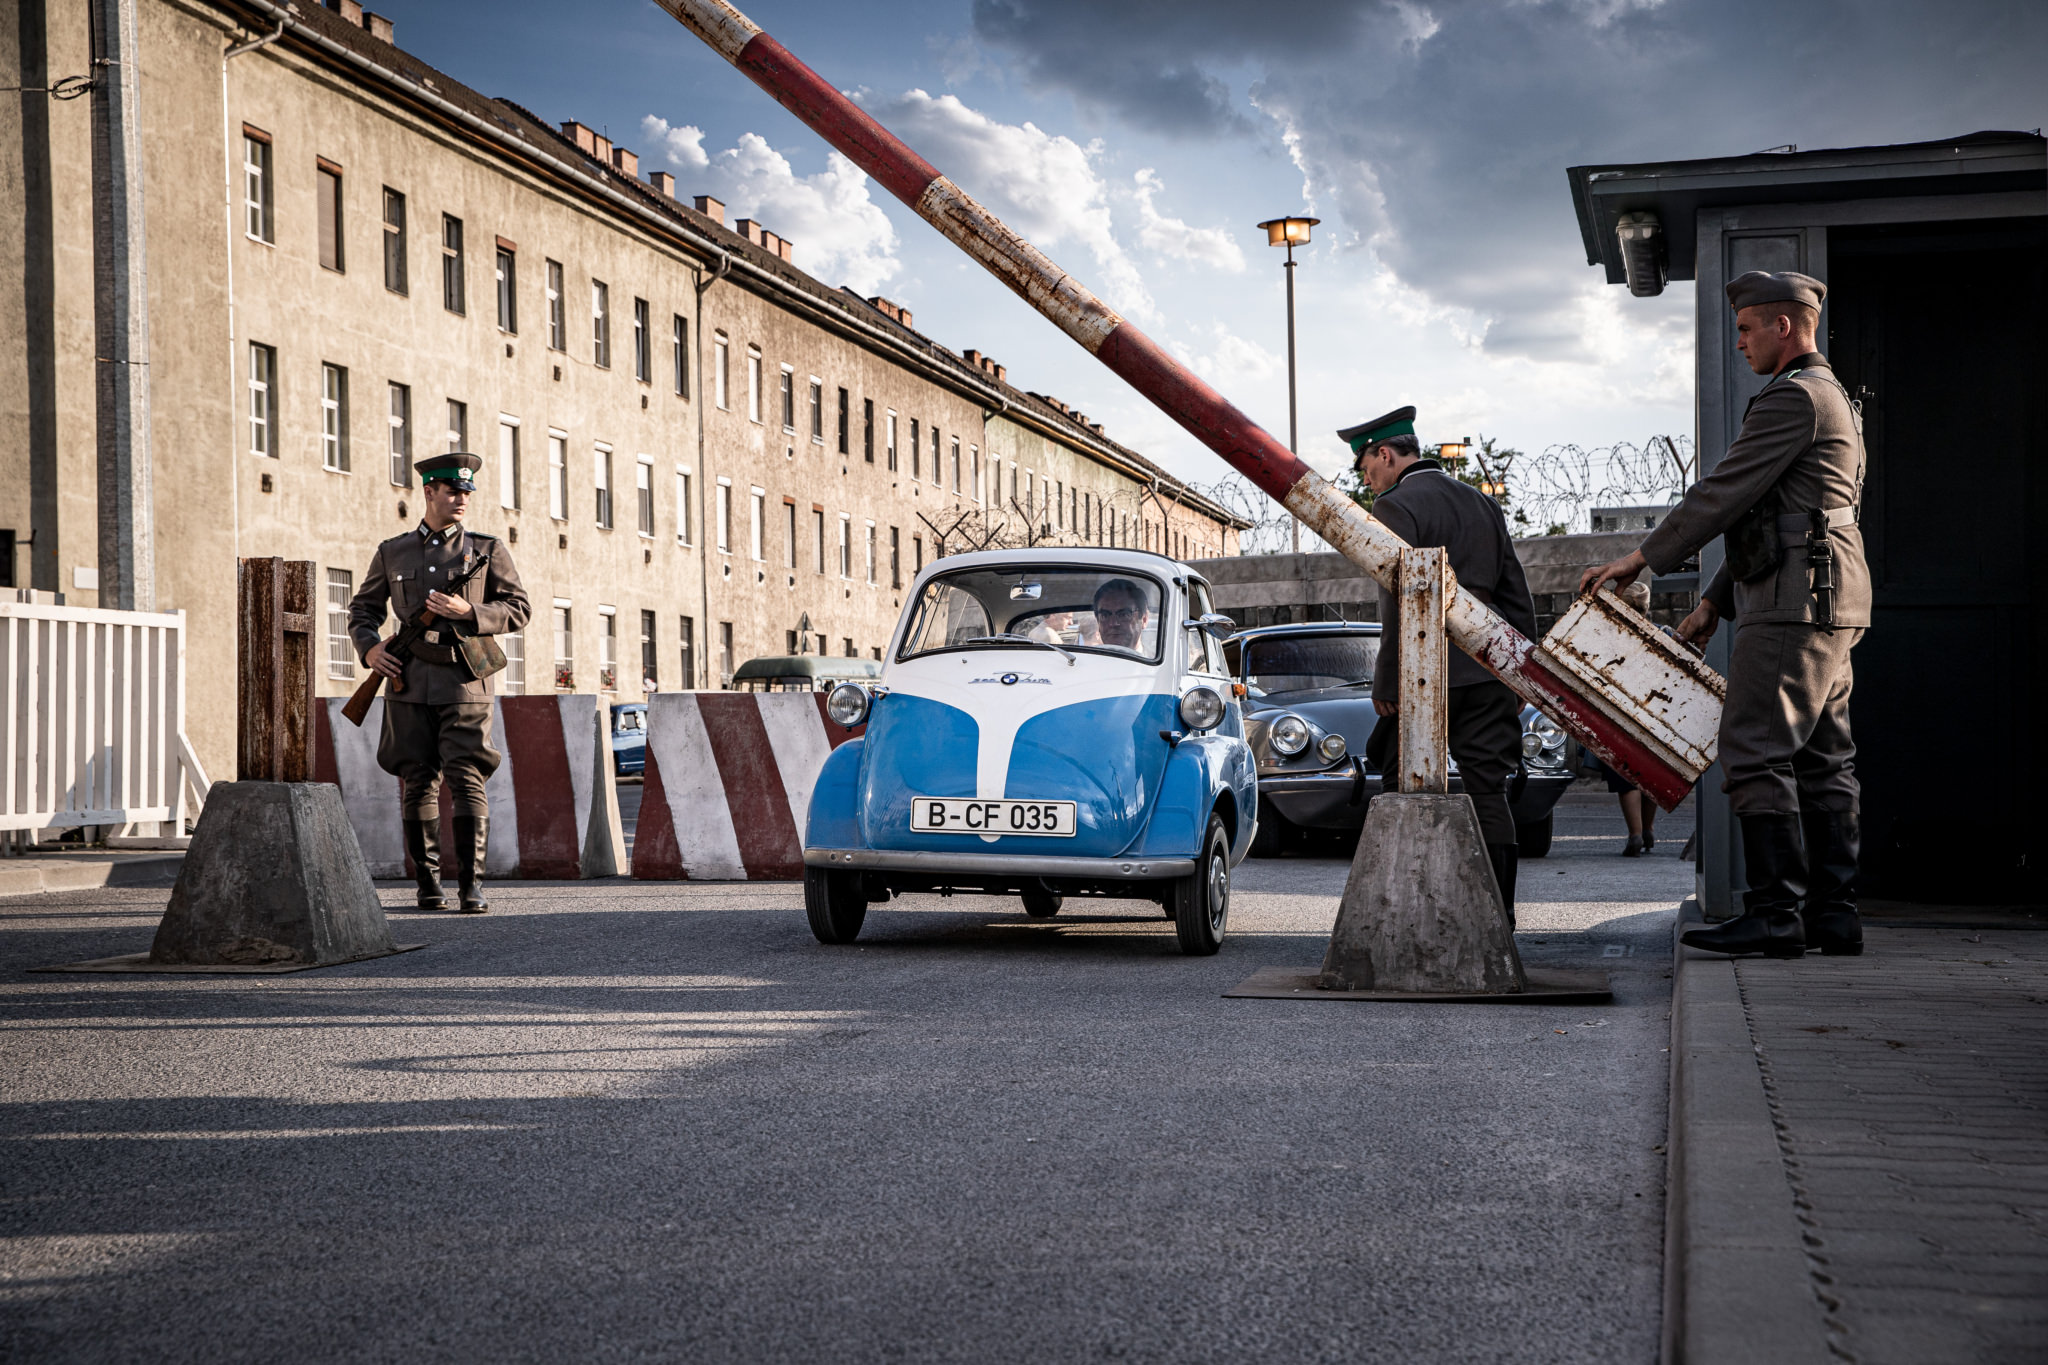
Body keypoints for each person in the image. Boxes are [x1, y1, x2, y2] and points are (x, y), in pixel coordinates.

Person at [1582, 270, 1869, 959]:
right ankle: (1834, 914)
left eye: (1746, 328)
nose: (1738, 342)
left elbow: (1725, 495)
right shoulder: (1835, 399)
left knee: (1751, 751)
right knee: (1826, 760)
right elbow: (1780, 514)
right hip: (1828, 599)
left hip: (1793, 602)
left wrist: (1641, 558)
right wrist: (1715, 599)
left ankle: (1776, 914)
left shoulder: (1792, 399)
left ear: (1784, 326)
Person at [1345, 406, 1537, 920]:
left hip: (1426, 674)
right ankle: (1498, 919)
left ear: (1385, 454)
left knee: (1398, 781)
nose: (1367, 479)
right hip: (1488, 669)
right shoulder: (1481, 502)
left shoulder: (1394, 507)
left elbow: (1397, 602)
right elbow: (1515, 592)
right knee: (1488, 790)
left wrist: (1389, 681)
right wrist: (1522, 673)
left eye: (1366, 466)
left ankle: (1409, 911)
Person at [350, 453, 531, 913]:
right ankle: (428, 885)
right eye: (452, 491)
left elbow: (519, 609)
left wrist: (469, 612)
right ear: (429, 492)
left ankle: (472, 887)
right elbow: (363, 610)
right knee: (417, 780)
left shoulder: (486, 550)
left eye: (466, 492)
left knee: (467, 777)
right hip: (407, 681)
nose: (461, 499)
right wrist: (370, 649)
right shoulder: (394, 551)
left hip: (464, 680)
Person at [1091, 579, 1150, 652]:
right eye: (1105, 616)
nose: (1113, 623)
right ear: (1098, 622)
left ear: (1144, 619)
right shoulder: (1087, 661)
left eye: (1124, 615)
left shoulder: (1163, 662)